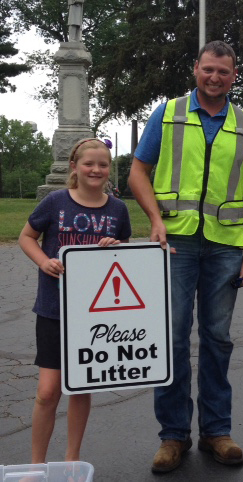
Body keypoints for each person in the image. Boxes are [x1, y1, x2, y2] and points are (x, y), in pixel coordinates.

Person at [128, 40, 243, 473]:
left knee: (217, 339)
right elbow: (137, 171)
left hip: (226, 246)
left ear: (234, 75)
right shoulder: (168, 113)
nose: (215, 78)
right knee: (170, 340)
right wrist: (153, 218)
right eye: (208, 69)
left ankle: (216, 432)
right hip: (175, 242)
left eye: (223, 72)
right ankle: (173, 437)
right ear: (196, 69)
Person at [19, 138, 131, 468]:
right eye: (89, 164)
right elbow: (27, 237)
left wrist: (114, 246)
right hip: (54, 310)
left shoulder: (118, 209)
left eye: (103, 164)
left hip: (94, 317)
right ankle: (36, 466)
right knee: (48, 392)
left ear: (110, 169)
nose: (96, 170)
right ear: (74, 167)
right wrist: (43, 261)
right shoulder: (55, 202)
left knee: (81, 389)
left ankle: (71, 461)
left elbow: (123, 254)